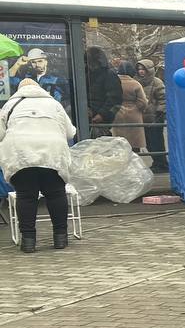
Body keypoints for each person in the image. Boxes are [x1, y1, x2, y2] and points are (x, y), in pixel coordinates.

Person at [0, 78, 76, 252]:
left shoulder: (10, 105)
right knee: (56, 194)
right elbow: (70, 132)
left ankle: (28, 241)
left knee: (26, 196)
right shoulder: (54, 104)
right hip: (52, 153)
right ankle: (60, 238)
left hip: (20, 153)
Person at [135, 59, 167, 171]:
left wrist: (159, 111)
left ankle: (162, 164)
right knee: (148, 143)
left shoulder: (157, 82)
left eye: (143, 69)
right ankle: (156, 162)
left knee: (157, 142)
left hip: (155, 117)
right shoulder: (137, 82)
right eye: (139, 69)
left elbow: (163, 98)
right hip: (142, 118)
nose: (141, 71)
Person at [85, 47, 122, 139]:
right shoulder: (85, 74)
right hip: (87, 116)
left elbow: (115, 99)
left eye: (92, 62)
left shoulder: (109, 74)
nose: (90, 65)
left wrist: (102, 114)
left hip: (101, 120)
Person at [113, 62, 149, 154]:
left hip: (118, 113)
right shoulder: (135, 84)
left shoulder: (114, 82)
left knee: (119, 144)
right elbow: (142, 102)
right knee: (134, 145)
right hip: (134, 115)